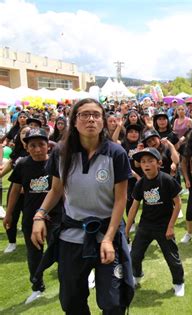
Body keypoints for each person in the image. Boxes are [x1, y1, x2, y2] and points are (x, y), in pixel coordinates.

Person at [31, 98, 134, 314]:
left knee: (114, 302)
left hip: (107, 233)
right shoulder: (61, 152)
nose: (91, 119)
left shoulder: (116, 153)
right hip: (72, 235)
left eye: (96, 115)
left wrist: (108, 238)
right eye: (84, 114)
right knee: (71, 301)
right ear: (74, 121)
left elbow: (120, 199)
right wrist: (40, 216)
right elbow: (56, 190)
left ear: (104, 121)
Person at [3, 128, 62, 304]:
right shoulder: (22, 165)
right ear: (26, 147)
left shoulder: (55, 163)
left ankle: (70, 280)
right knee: (34, 254)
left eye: (41, 145)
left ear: (48, 146)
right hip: (31, 217)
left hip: (55, 215)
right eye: (33, 145)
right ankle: (37, 287)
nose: (37, 149)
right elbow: (14, 191)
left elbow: (63, 190)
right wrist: (9, 214)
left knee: (60, 249)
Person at [126, 147, 185, 296]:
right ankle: (137, 276)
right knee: (135, 255)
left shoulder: (167, 180)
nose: (146, 164)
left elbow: (178, 204)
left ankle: (179, 283)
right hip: (145, 225)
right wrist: (126, 230)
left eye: (150, 161)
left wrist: (171, 227)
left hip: (164, 226)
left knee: (172, 257)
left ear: (158, 163)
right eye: (143, 162)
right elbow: (134, 207)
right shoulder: (140, 184)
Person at [1, 125, 30, 253]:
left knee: (30, 218)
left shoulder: (37, 150)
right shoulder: (16, 152)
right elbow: (8, 168)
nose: (25, 135)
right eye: (23, 133)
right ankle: (12, 242)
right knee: (11, 214)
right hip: (16, 189)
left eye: (28, 133)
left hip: (32, 190)